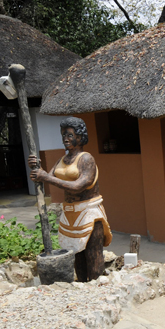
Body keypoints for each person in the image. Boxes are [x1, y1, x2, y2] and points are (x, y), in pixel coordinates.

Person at [28, 117, 112, 281]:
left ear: (80, 137)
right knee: (76, 255)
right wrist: (36, 168)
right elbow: (45, 179)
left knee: (93, 256)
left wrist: (45, 176)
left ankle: (97, 288)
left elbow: (78, 185)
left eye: (70, 135)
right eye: (63, 135)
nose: (65, 139)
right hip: (70, 213)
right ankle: (82, 285)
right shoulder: (62, 160)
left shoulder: (86, 159)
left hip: (88, 212)